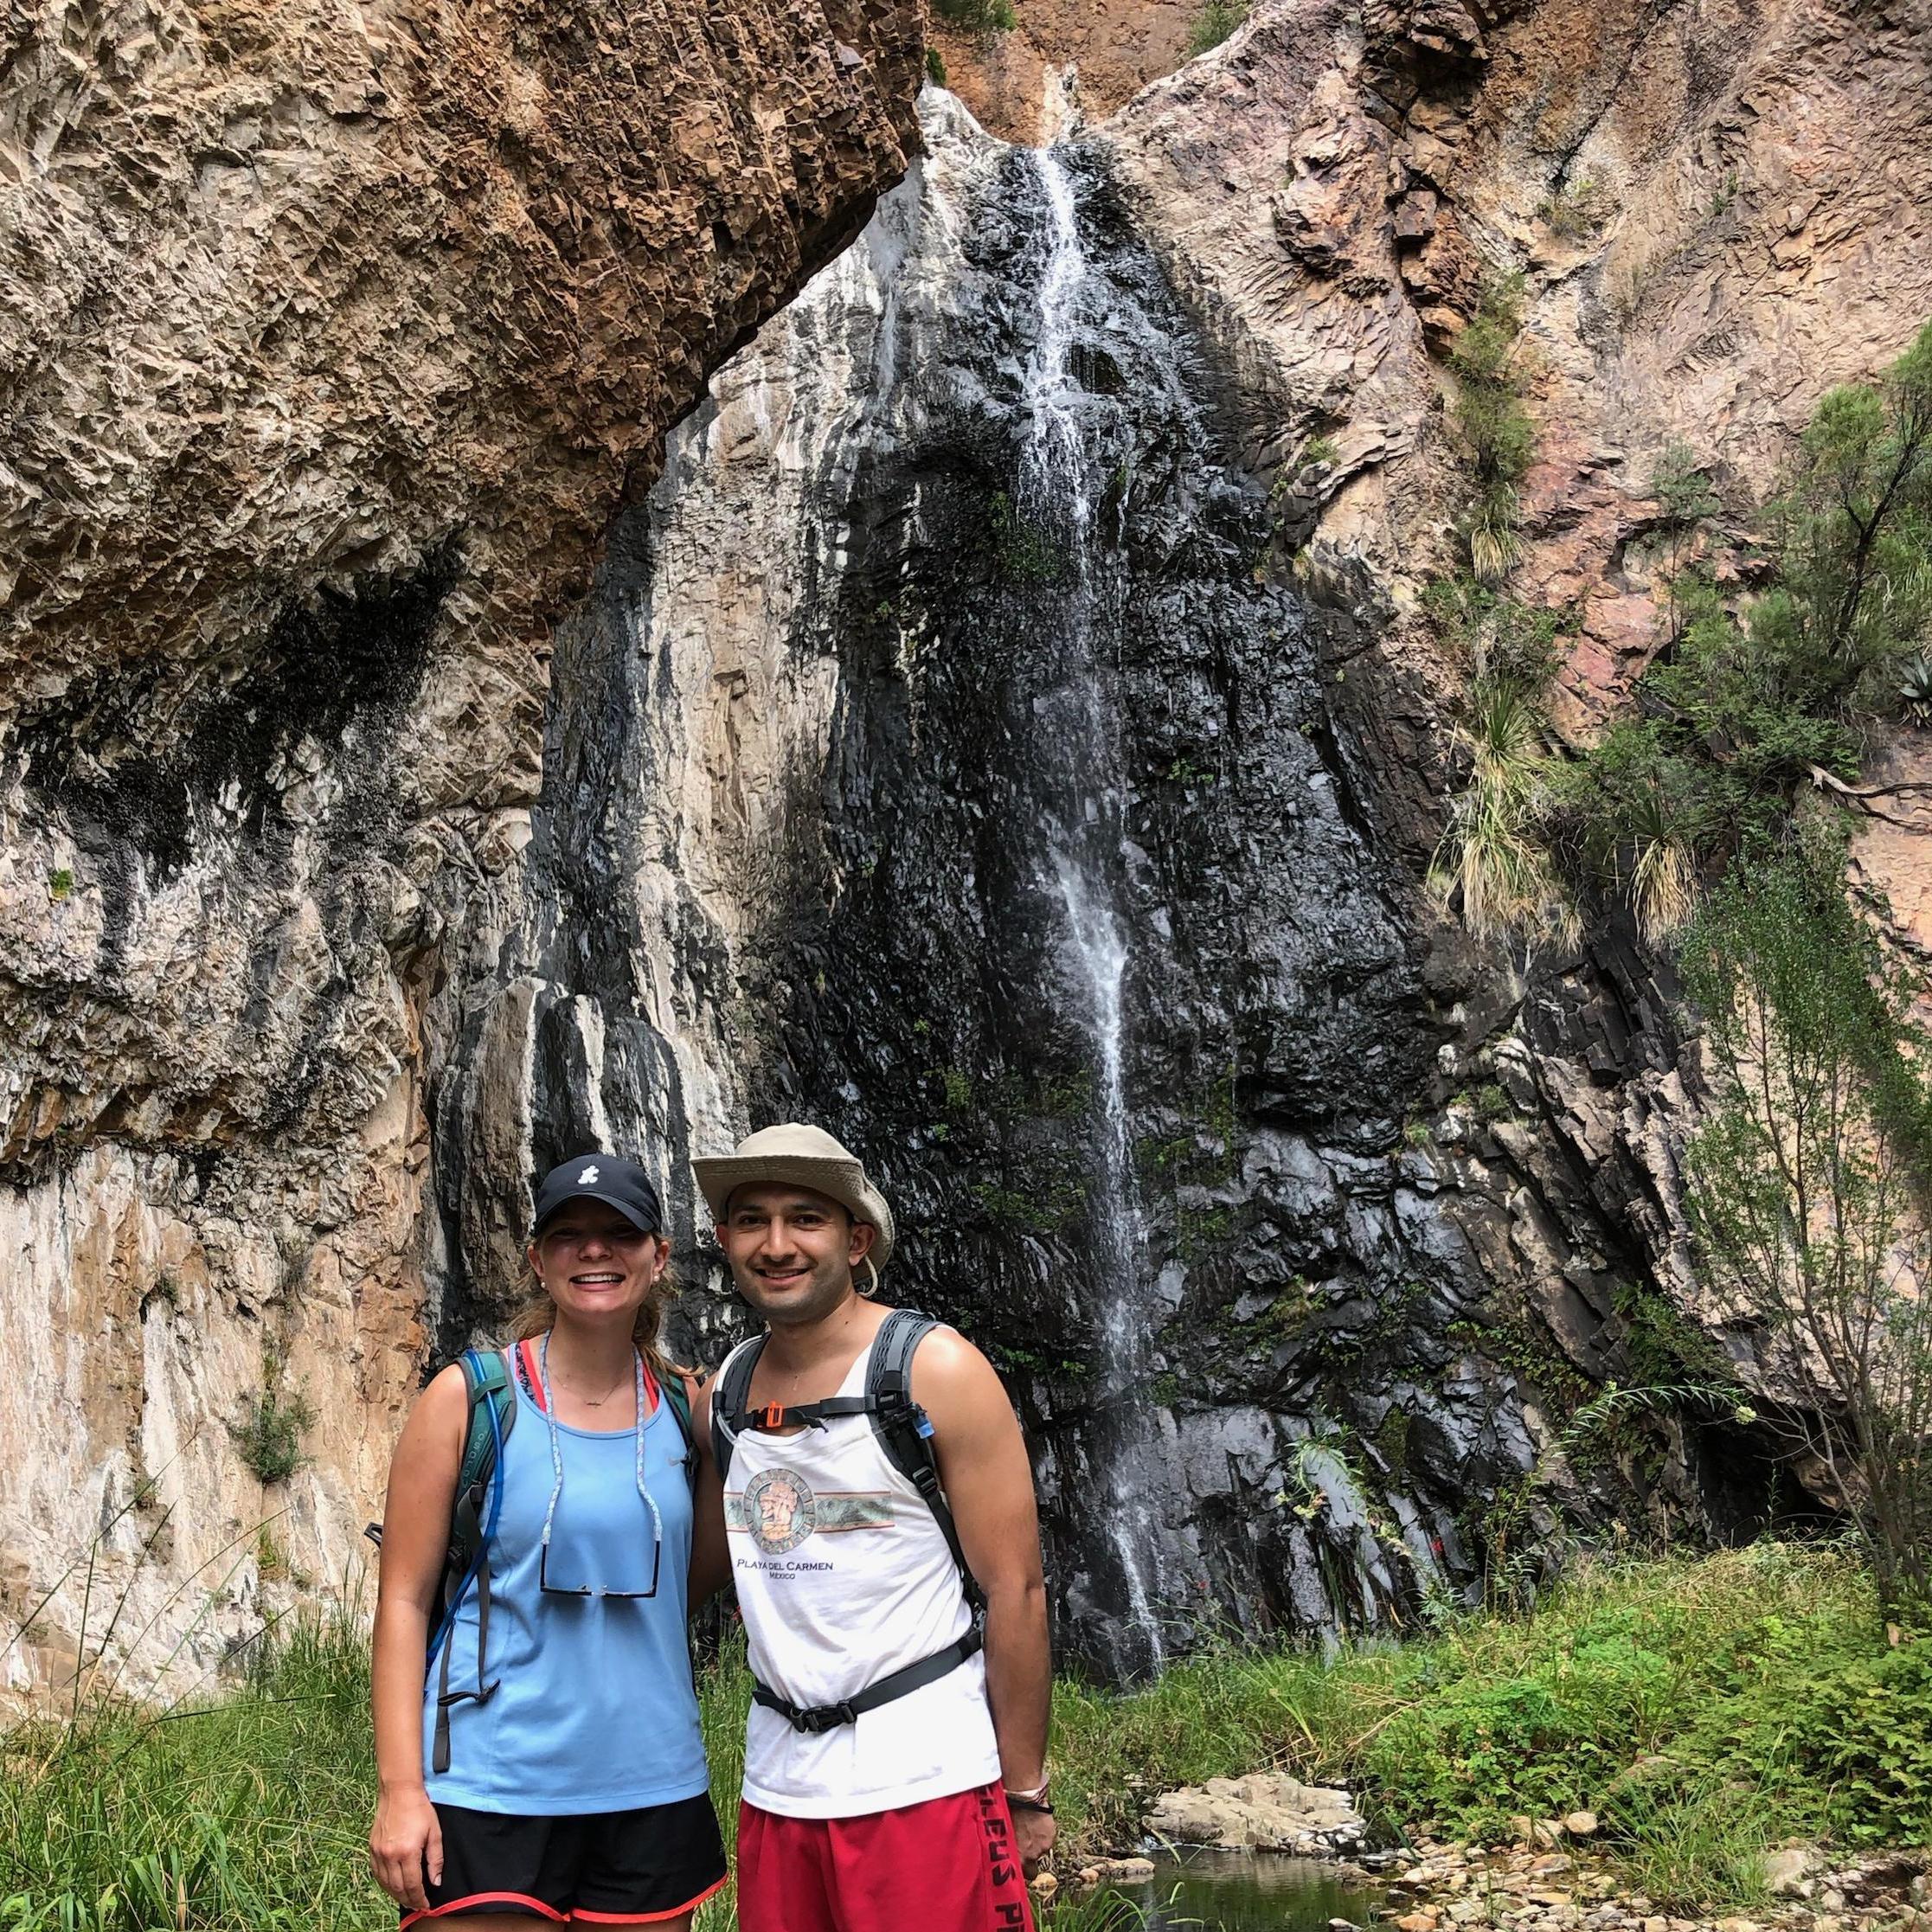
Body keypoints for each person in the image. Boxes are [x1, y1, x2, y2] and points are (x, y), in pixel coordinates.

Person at [690, 1122, 1055, 1932]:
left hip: (926, 1782)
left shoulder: (935, 1369)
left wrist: (1024, 1789)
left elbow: (1017, 1589)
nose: (776, 1244)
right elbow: (694, 1568)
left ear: (856, 1240)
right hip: (779, 1788)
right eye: (751, 1220)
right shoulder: (723, 1391)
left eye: (804, 1219)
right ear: (723, 1239)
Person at [369, 1154, 729, 1929]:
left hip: (652, 1779)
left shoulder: (688, 1407)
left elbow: (694, 1579)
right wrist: (401, 1790)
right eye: (569, 1234)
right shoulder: (468, 1398)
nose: (594, 1250)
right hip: (490, 1780)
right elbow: (402, 1599)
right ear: (537, 1258)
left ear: (659, 1255)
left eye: (619, 1233)